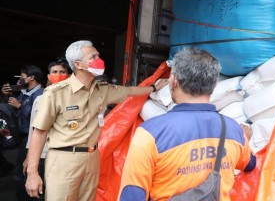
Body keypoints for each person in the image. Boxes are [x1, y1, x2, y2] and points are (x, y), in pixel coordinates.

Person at [25, 40, 168, 201]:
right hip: (64, 159)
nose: (99, 59)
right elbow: (40, 132)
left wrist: (155, 88)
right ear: (78, 64)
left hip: (92, 158)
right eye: (93, 57)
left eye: (98, 55)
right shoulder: (56, 93)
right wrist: (32, 172)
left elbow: (130, 91)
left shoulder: (102, 90)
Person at [120, 47, 256, 201]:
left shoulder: (150, 133)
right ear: (213, 84)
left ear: (174, 81)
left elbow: (131, 195)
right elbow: (250, 165)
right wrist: (244, 138)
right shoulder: (233, 131)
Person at [22, 58, 72, 201]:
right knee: (40, 193)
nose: (58, 74)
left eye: (62, 72)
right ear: (49, 76)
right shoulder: (41, 99)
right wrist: (29, 156)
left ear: (68, 76)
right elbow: (34, 130)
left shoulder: (75, 99)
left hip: (64, 156)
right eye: (54, 72)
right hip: (43, 154)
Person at [1, 65, 44, 201]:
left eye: (22, 77)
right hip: (22, 135)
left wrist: (19, 106)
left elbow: (39, 117)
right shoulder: (25, 92)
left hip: (31, 137)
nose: (20, 80)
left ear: (31, 78)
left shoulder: (41, 94)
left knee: (22, 172)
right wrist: (6, 95)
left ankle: (28, 196)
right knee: (22, 170)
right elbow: (13, 111)